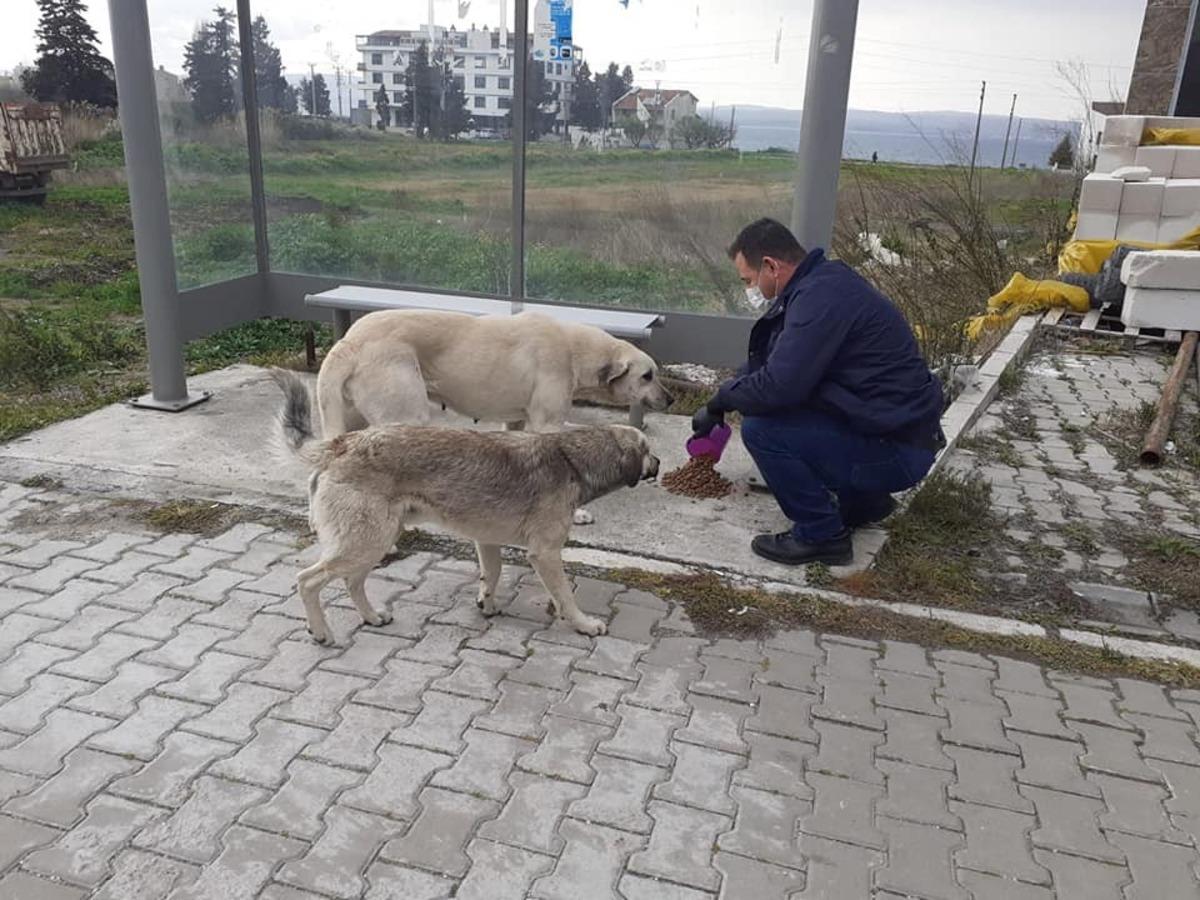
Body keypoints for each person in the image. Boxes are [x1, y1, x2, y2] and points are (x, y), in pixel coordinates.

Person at [690, 218, 945, 566]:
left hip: (899, 450)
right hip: (898, 434)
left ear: (770, 266)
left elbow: (778, 386)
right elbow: (775, 362)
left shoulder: (818, 300)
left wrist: (723, 400)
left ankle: (821, 535)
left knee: (763, 430)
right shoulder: (822, 285)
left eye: (748, 281)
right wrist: (724, 394)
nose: (749, 290)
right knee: (790, 413)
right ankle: (865, 503)